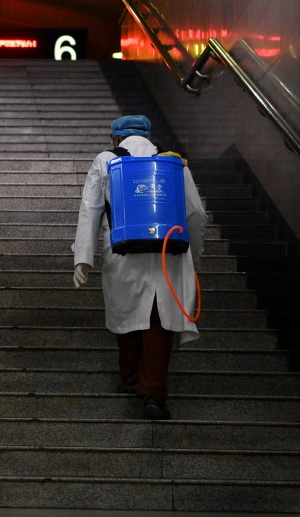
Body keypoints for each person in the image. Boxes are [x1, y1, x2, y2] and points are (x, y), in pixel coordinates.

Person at [71, 114, 207, 420]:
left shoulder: (106, 159)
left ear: (116, 138)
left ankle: (130, 377)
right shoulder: (173, 163)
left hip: (122, 252)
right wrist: (193, 257)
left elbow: (89, 211)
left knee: (127, 312)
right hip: (169, 253)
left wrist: (83, 258)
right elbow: (196, 214)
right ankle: (154, 395)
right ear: (149, 135)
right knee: (160, 319)